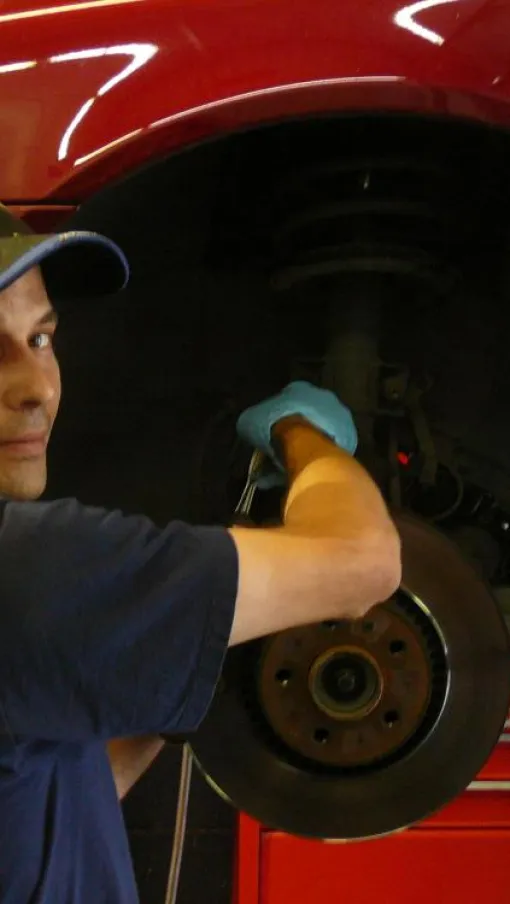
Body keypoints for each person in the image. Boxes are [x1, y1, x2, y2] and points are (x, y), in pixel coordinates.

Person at [0, 203, 401, 904]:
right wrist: (303, 436)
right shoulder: (22, 568)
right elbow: (364, 561)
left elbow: (44, 791)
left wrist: (174, 650)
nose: (36, 389)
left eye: (40, 338)